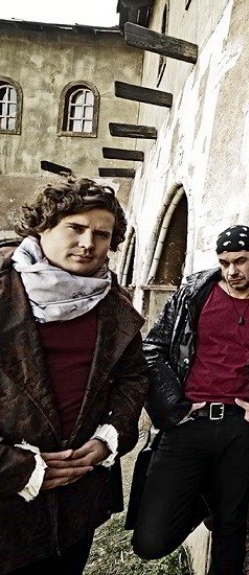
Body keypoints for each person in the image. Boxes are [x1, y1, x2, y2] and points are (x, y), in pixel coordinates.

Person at [0, 178, 149, 575]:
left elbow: (133, 377)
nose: (88, 243)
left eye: (102, 235)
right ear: (43, 227)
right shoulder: (4, 291)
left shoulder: (113, 304)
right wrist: (16, 468)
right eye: (76, 228)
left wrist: (109, 437)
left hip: (76, 499)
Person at [131, 225, 249, 575]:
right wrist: (174, 408)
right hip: (188, 423)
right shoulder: (194, 293)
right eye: (224, 262)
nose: (232, 271)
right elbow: (152, 348)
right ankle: (206, 496)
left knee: (230, 530)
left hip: (240, 426)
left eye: (240, 261)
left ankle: (220, 506)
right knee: (150, 541)